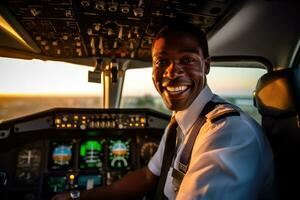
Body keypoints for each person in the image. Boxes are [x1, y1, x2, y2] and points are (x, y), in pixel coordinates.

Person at [51, 21, 274, 200]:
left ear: (206, 66)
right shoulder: (180, 122)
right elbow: (149, 177)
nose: (172, 72)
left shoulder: (228, 133)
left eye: (187, 60)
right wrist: (78, 195)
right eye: (161, 61)